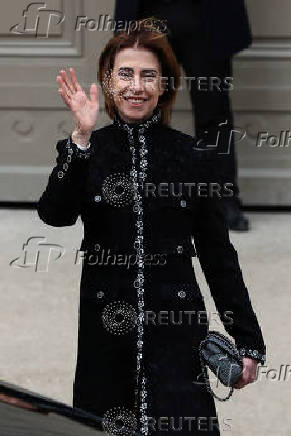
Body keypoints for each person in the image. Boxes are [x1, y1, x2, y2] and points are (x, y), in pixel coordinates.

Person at [37, 20, 266, 436]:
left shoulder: (192, 157)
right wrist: (82, 140)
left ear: (164, 86)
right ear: (108, 82)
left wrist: (247, 339)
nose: (136, 86)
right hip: (106, 330)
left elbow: (218, 256)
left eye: (148, 76)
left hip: (177, 331)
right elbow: (55, 214)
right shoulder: (89, 150)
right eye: (125, 74)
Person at [114, 0, 252, 231]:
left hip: (207, 18)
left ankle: (221, 200)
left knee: (213, 112)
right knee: (141, 111)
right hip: (147, 15)